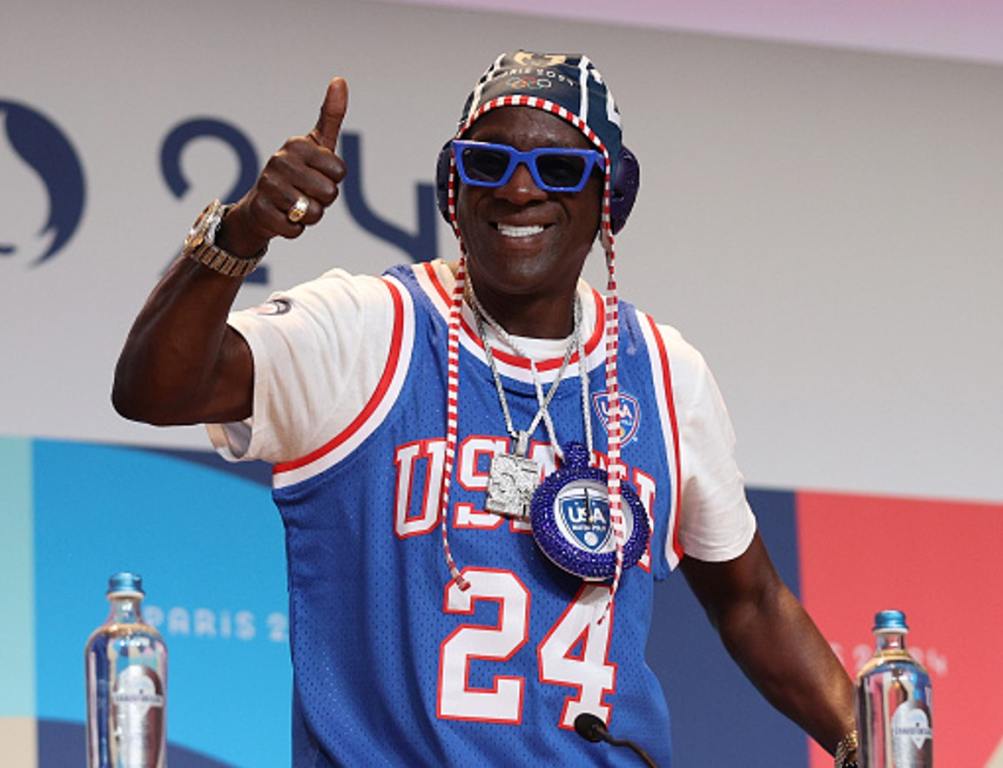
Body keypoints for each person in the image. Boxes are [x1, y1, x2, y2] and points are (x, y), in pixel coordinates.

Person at [114, 51, 858, 767]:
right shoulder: (373, 327)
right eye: (488, 164)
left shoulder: (663, 372)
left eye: (559, 169)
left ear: (609, 199)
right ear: (453, 187)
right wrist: (240, 234)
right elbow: (154, 389)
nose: (518, 191)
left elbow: (751, 601)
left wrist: (869, 742)